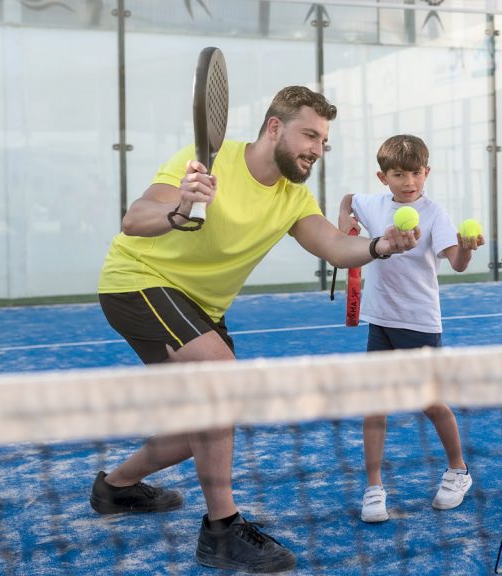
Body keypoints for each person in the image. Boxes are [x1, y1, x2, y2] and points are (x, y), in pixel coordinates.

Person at [91, 86, 419, 572]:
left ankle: (114, 488)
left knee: (209, 421)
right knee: (220, 377)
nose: (316, 149)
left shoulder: (293, 196)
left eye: (323, 141)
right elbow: (134, 219)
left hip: (200, 305)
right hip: (139, 282)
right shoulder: (206, 160)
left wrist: (381, 246)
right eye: (309, 134)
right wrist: (180, 208)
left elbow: (332, 246)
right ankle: (222, 530)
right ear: (273, 128)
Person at [337, 134, 484, 523]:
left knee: (431, 401)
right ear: (382, 177)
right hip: (380, 321)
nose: (409, 182)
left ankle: (458, 471)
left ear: (427, 172)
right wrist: (345, 224)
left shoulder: (435, 213)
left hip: (419, 323)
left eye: (416, 173)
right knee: (374, 404)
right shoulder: (373, 204)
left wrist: (467, 246)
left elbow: (458, 262)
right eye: (398, 174)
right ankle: (373, 488)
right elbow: (349, 199)